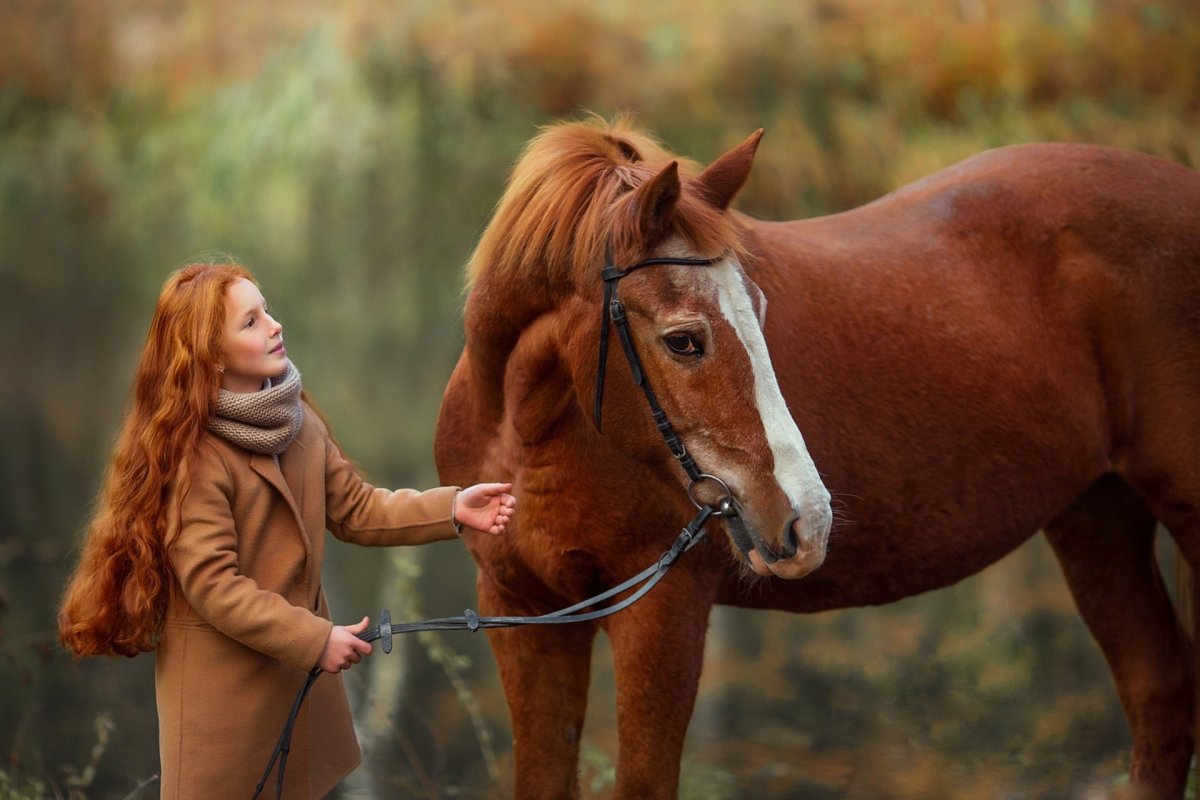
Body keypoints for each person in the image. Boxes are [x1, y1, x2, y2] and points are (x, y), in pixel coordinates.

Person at [57, 262, 515, 799]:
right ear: (210, 355)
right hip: (225, 703)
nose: (274, 325)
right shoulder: (195, 459)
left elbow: (358, 510)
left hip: (294, 685)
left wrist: (454, 507)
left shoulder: (296, 421)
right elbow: (214, 586)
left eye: (266, 310)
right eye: (250, 322)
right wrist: (315, 638)